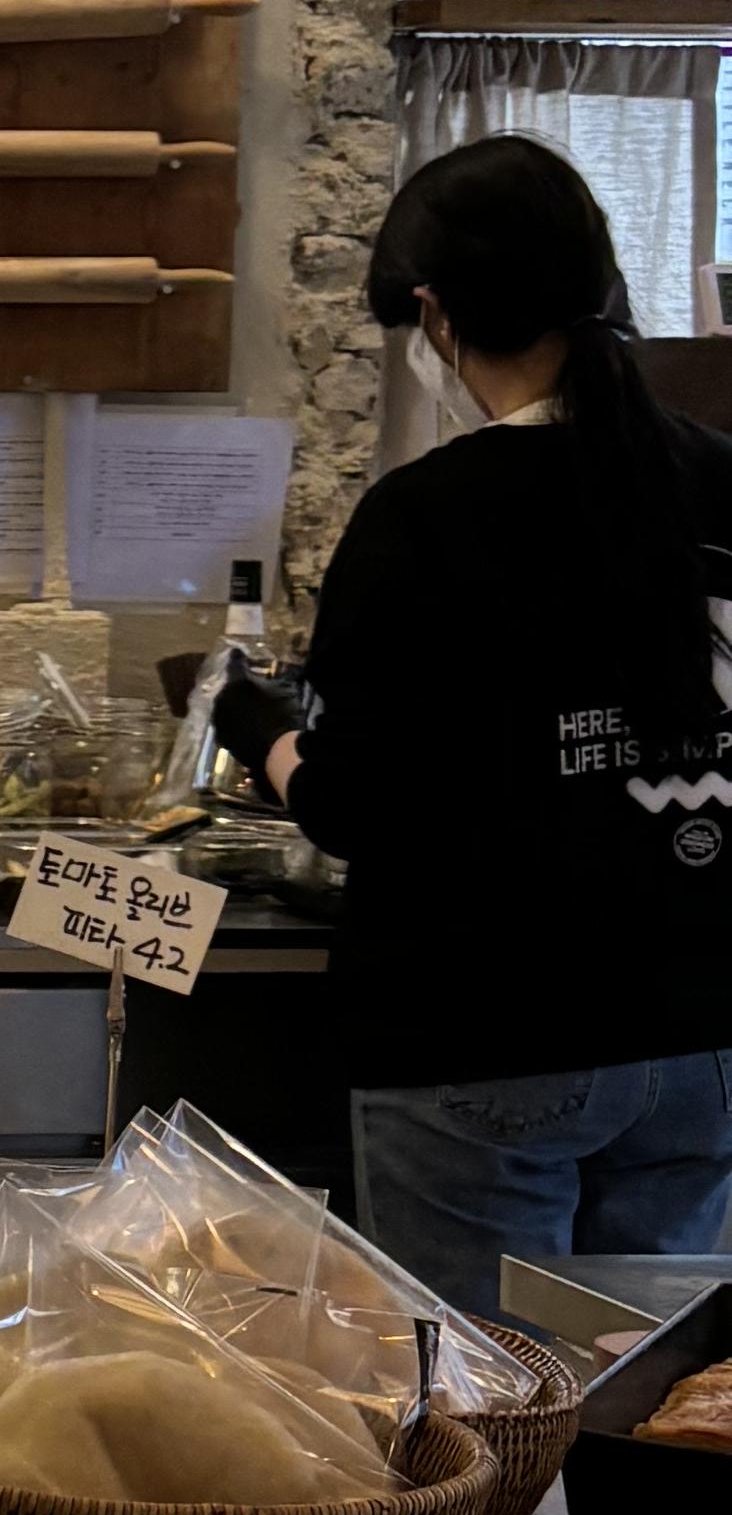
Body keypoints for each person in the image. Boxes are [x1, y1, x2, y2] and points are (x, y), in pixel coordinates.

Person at [238, 135, 732, 1322]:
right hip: (707, 1031)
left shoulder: (427, 517)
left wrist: (259, 733)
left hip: (488, 1028)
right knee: (654, 1394)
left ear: (434, 314)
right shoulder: (720, 479)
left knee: (485, 1402)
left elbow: (356, 804)